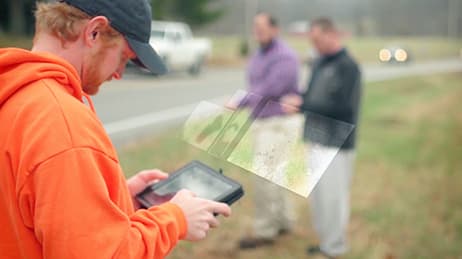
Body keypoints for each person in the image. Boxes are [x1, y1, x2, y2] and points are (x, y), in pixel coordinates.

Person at [0, 1, 231, 258]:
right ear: (94, 32)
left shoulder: (14, 93)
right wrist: (175, 219)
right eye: (124, 57)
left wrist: (116, 199)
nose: (120, 73)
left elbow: (28, 212)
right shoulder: (63, 123)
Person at [282, 18, 362, 259]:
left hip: (337, 142)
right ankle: (326, 242)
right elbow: (314, 95)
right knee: (319, 198)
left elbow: (344, 108)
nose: (313, 44)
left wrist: (304, 105)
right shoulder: (318, 63)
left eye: (316, 39)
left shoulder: (348, 66)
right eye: (311, 40)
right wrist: (301, 100)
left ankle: (335, 248)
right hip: (315, 138)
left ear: (331, 35)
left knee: (334, 198)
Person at [231, 12, 300, 249]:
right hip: (263, 122)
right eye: (255, 27)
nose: (258, 31)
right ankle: (284, 221)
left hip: (277, 124)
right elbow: (255, 85)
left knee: (265, 177)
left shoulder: (285, 56)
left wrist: (239, 102)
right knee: (275, 176)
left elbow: (268, 89)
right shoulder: (259, 53)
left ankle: (265, 231)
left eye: (262, 27)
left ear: (274, 29)